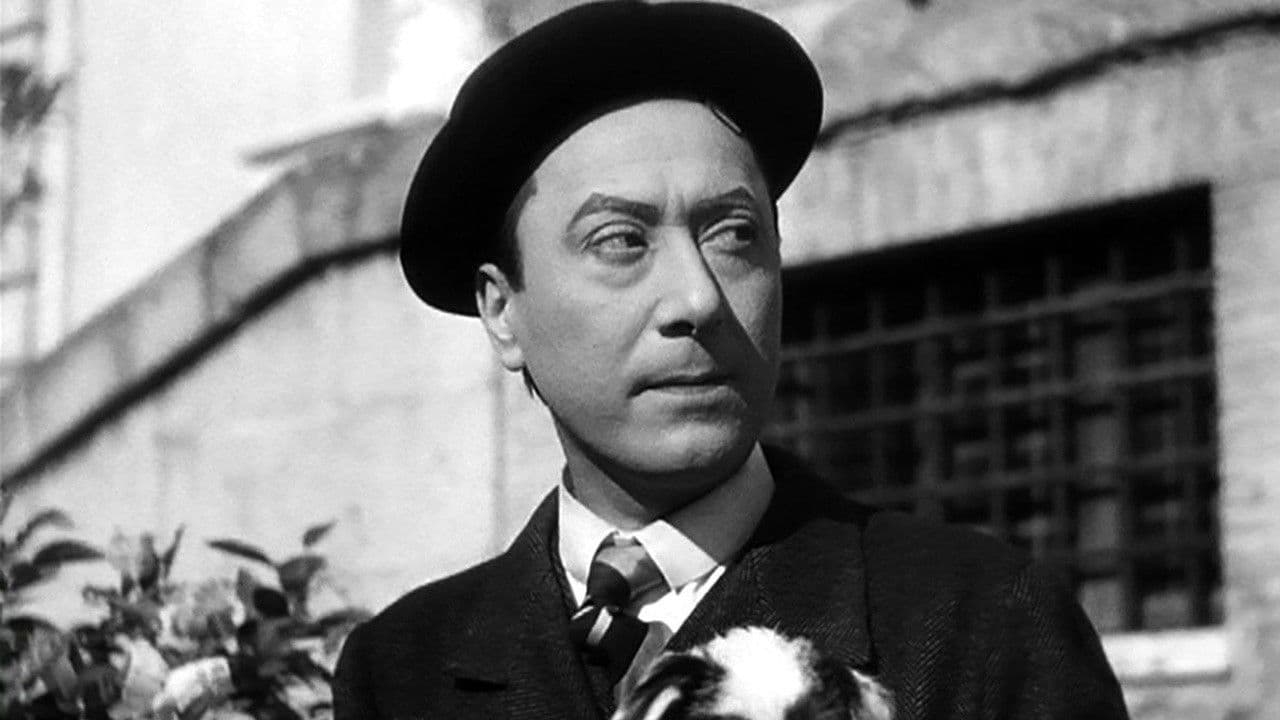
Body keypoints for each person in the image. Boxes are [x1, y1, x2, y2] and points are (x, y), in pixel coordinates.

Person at [333, 2, 1130, 719]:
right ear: (501, 310)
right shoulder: (403, 670)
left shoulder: (982, 626)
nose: (698, 298)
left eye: (734, 234)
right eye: (621, 241)